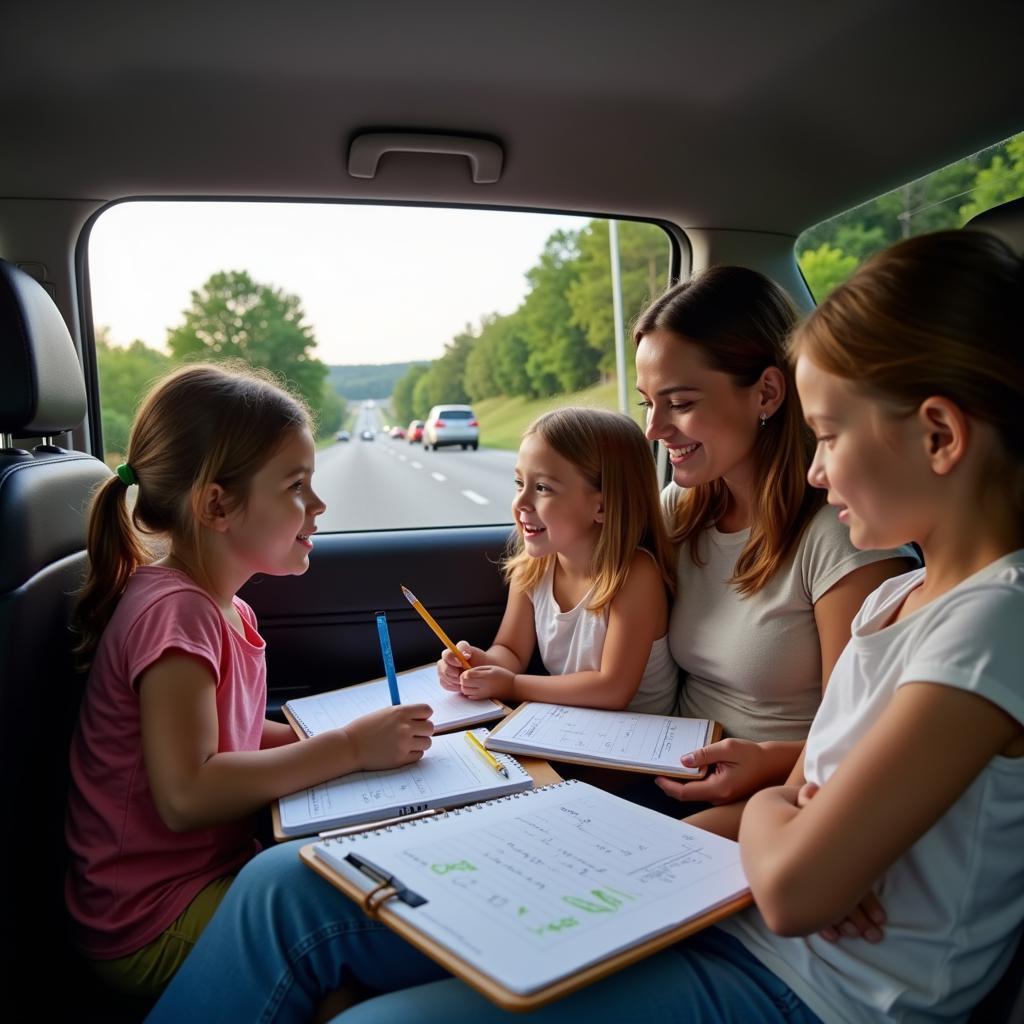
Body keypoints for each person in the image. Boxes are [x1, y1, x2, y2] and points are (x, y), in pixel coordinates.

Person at [146, 229, 1024, 1024]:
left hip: (817, 975)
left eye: (828, 435)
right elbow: (811, 801)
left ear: (940, 436)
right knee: (278, 890)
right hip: (722, 865)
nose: (819, 468)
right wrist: (777, 818)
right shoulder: (888, 603)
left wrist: (778, 812)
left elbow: (802, 867)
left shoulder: (981, 622)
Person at [66, 363, 435, 999]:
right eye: (296, 486)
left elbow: (232, 735)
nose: (317, 506)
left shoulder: (225, 608)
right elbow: (187, 793)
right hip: (151, 917)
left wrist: (331, 738)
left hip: (202, 878)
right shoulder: (175, 615)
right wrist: (346, 750)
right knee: (353, 973)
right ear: (217, 505)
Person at [634, 266, 913, 829]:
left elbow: (863, 737)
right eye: (647, 403)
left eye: (680, 403)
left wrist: (767, 763)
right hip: (674, 776)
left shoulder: (841, 536)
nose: (654, 429)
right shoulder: (679, 511)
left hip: (784, 801)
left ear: (766, 392)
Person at [438, 406, 678, 715]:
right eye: (519, 484)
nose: (521, 502)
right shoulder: (535, 566)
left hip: (640, 744)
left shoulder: (634, 575)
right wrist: (474, 664)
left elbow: (613, 688)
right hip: (574, 727)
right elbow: (509, 651)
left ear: (602, 506)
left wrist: (511, 684)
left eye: (542, 488)